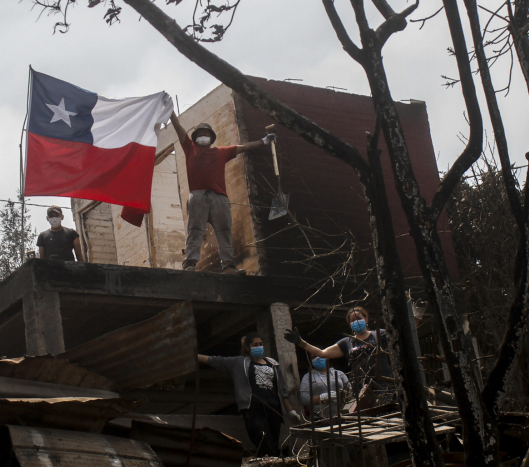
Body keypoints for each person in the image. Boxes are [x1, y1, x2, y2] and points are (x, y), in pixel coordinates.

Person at [168, 111, 275, 275]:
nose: (203, 136)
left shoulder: (220, 152)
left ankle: (228, 266)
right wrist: (170, 113)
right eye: (201, 134)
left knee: (224, 230)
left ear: (211, 138)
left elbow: (243, 147)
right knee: (195, 229)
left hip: (219, 197)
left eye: (206, 134)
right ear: (196, 137)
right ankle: (189, 264)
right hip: (197, 196)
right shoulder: (190, 148)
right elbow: (178, 129)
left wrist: (263, 141)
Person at [198, 333, 299, 456]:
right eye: (255, 345)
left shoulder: (273, 364)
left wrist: (290, 411)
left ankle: (272, 466)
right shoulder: (239, 363)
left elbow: (283, 391)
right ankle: (272, 464)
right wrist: (195, 356)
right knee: (263, 440)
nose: (258, 347)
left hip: (273, 408)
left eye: (260, 344)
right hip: (253, 408)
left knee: (273, 442)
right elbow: (216, 360)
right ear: (247, 347)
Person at [284, 306, 393, 411]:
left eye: (359, 319)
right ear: (349, 324)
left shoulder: (380, 334)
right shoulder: (347, 343)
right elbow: (322, 353)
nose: (356, 322)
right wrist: (301, 343)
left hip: (384, 385)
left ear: (366, 319)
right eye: (353, 320)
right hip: (360, 389)